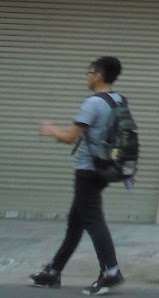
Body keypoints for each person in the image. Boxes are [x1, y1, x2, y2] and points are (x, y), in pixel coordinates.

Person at [30, 57, 127, 294]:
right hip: (105, 168)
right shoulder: (119, 100)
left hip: (88, 170)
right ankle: (53, 271)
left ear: (99, 75)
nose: (87, 76)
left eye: (89, 72)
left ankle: (111, 271)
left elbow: (70, 137)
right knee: (76, 222)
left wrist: (50, 129)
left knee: (93, 220)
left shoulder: (93, 103)